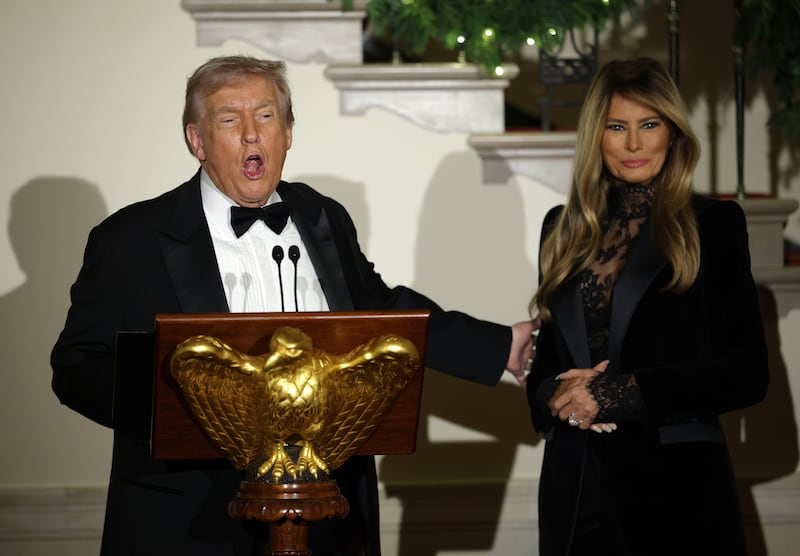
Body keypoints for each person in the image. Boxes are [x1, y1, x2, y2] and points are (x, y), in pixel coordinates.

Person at [51, 55, 535, 556]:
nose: (251, 135)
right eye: (228, 120)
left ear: (287, 133)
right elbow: (76, 366)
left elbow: (377, 312)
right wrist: (174, 407)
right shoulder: (130, 239)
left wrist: (500, 346)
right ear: (197, 141)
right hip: (189, 517)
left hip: (328, 511)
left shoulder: (322, 214)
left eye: (265, 116)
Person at [525, 57, 769, 556]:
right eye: (617, 127)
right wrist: (554, 394)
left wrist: (620, 393)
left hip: (677, 495)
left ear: (673, 133)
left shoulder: (714, 224)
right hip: (574, 493)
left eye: (649, 125)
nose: (634, 144)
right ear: (598, 136)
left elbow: (746, 372)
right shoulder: (562, 229)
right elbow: (546, 364)